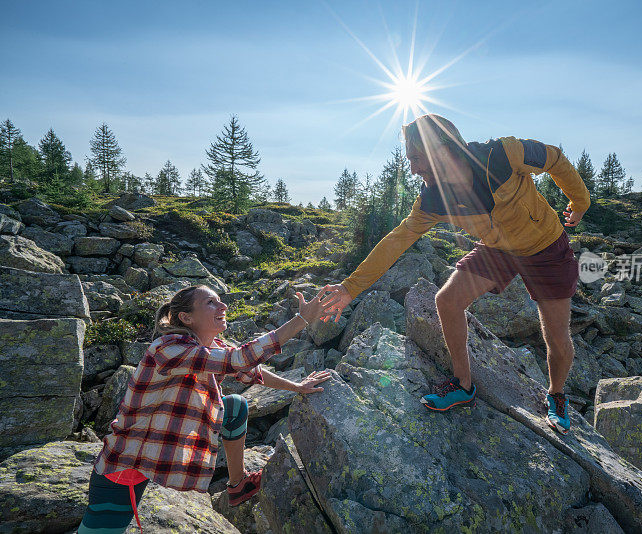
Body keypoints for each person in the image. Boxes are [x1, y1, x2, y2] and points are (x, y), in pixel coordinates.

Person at [322, 114, 590, 435]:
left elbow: (554, 159)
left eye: (417, 159)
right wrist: (351, 287)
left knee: (557, 338)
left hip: (545, 245)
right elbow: (398, 239)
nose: (413, 169)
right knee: (447, 300)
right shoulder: (433, 199)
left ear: (442, 150)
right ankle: (463, 385)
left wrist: (580, 201)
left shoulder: (503, 154)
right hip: (498, 250)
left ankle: (556, 395)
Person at [77, 284, 335, 533]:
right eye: (210, 302)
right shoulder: (167, 348)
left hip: (158, 455)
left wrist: (298, 387)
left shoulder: (211, 348)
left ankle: (238, 484)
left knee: (235, 406)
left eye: (219, 300)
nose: (223, 305)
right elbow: (240, 358)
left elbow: (250, 370)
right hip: (125, 465)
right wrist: (301, 319)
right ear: (186, 317)